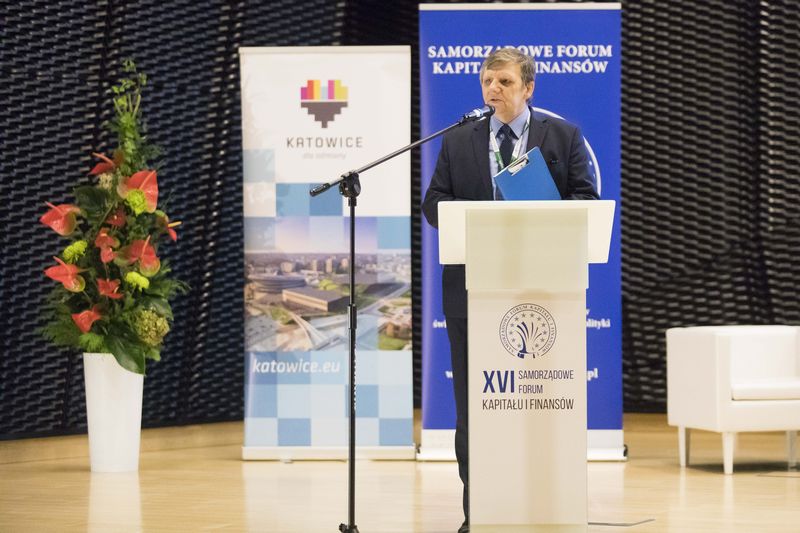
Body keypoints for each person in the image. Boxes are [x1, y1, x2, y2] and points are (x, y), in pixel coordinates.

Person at [421, 47, 599, 533]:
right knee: (474, 411)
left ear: (528, 88)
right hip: (471, 293)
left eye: (504, 81)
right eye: (487, 81)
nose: (493, 90)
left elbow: (586, 199)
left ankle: (547, 509)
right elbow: (434, 203)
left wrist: (542, 207)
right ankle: (478, 513)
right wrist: (477, 217)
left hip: (545, 293)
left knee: (541, 405)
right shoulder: (458, 139)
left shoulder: (562, 136)